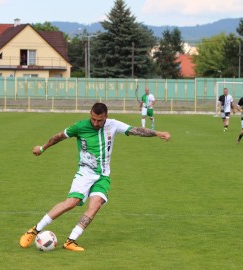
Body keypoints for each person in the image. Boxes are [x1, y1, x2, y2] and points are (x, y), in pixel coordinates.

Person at [19, 103, 171, 252]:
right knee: (72, 202)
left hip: (103, 175)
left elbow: (135, 130)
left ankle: (71, 240)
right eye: (93, 119)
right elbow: (59, 137)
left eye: (100, 120)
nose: (96, 123)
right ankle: (34, 230)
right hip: (85, 173)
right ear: (90, 115)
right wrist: (42, 148)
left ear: (106, 117)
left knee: (95, 205)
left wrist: (157, 133)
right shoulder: (80, 126)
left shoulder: (113, 125)